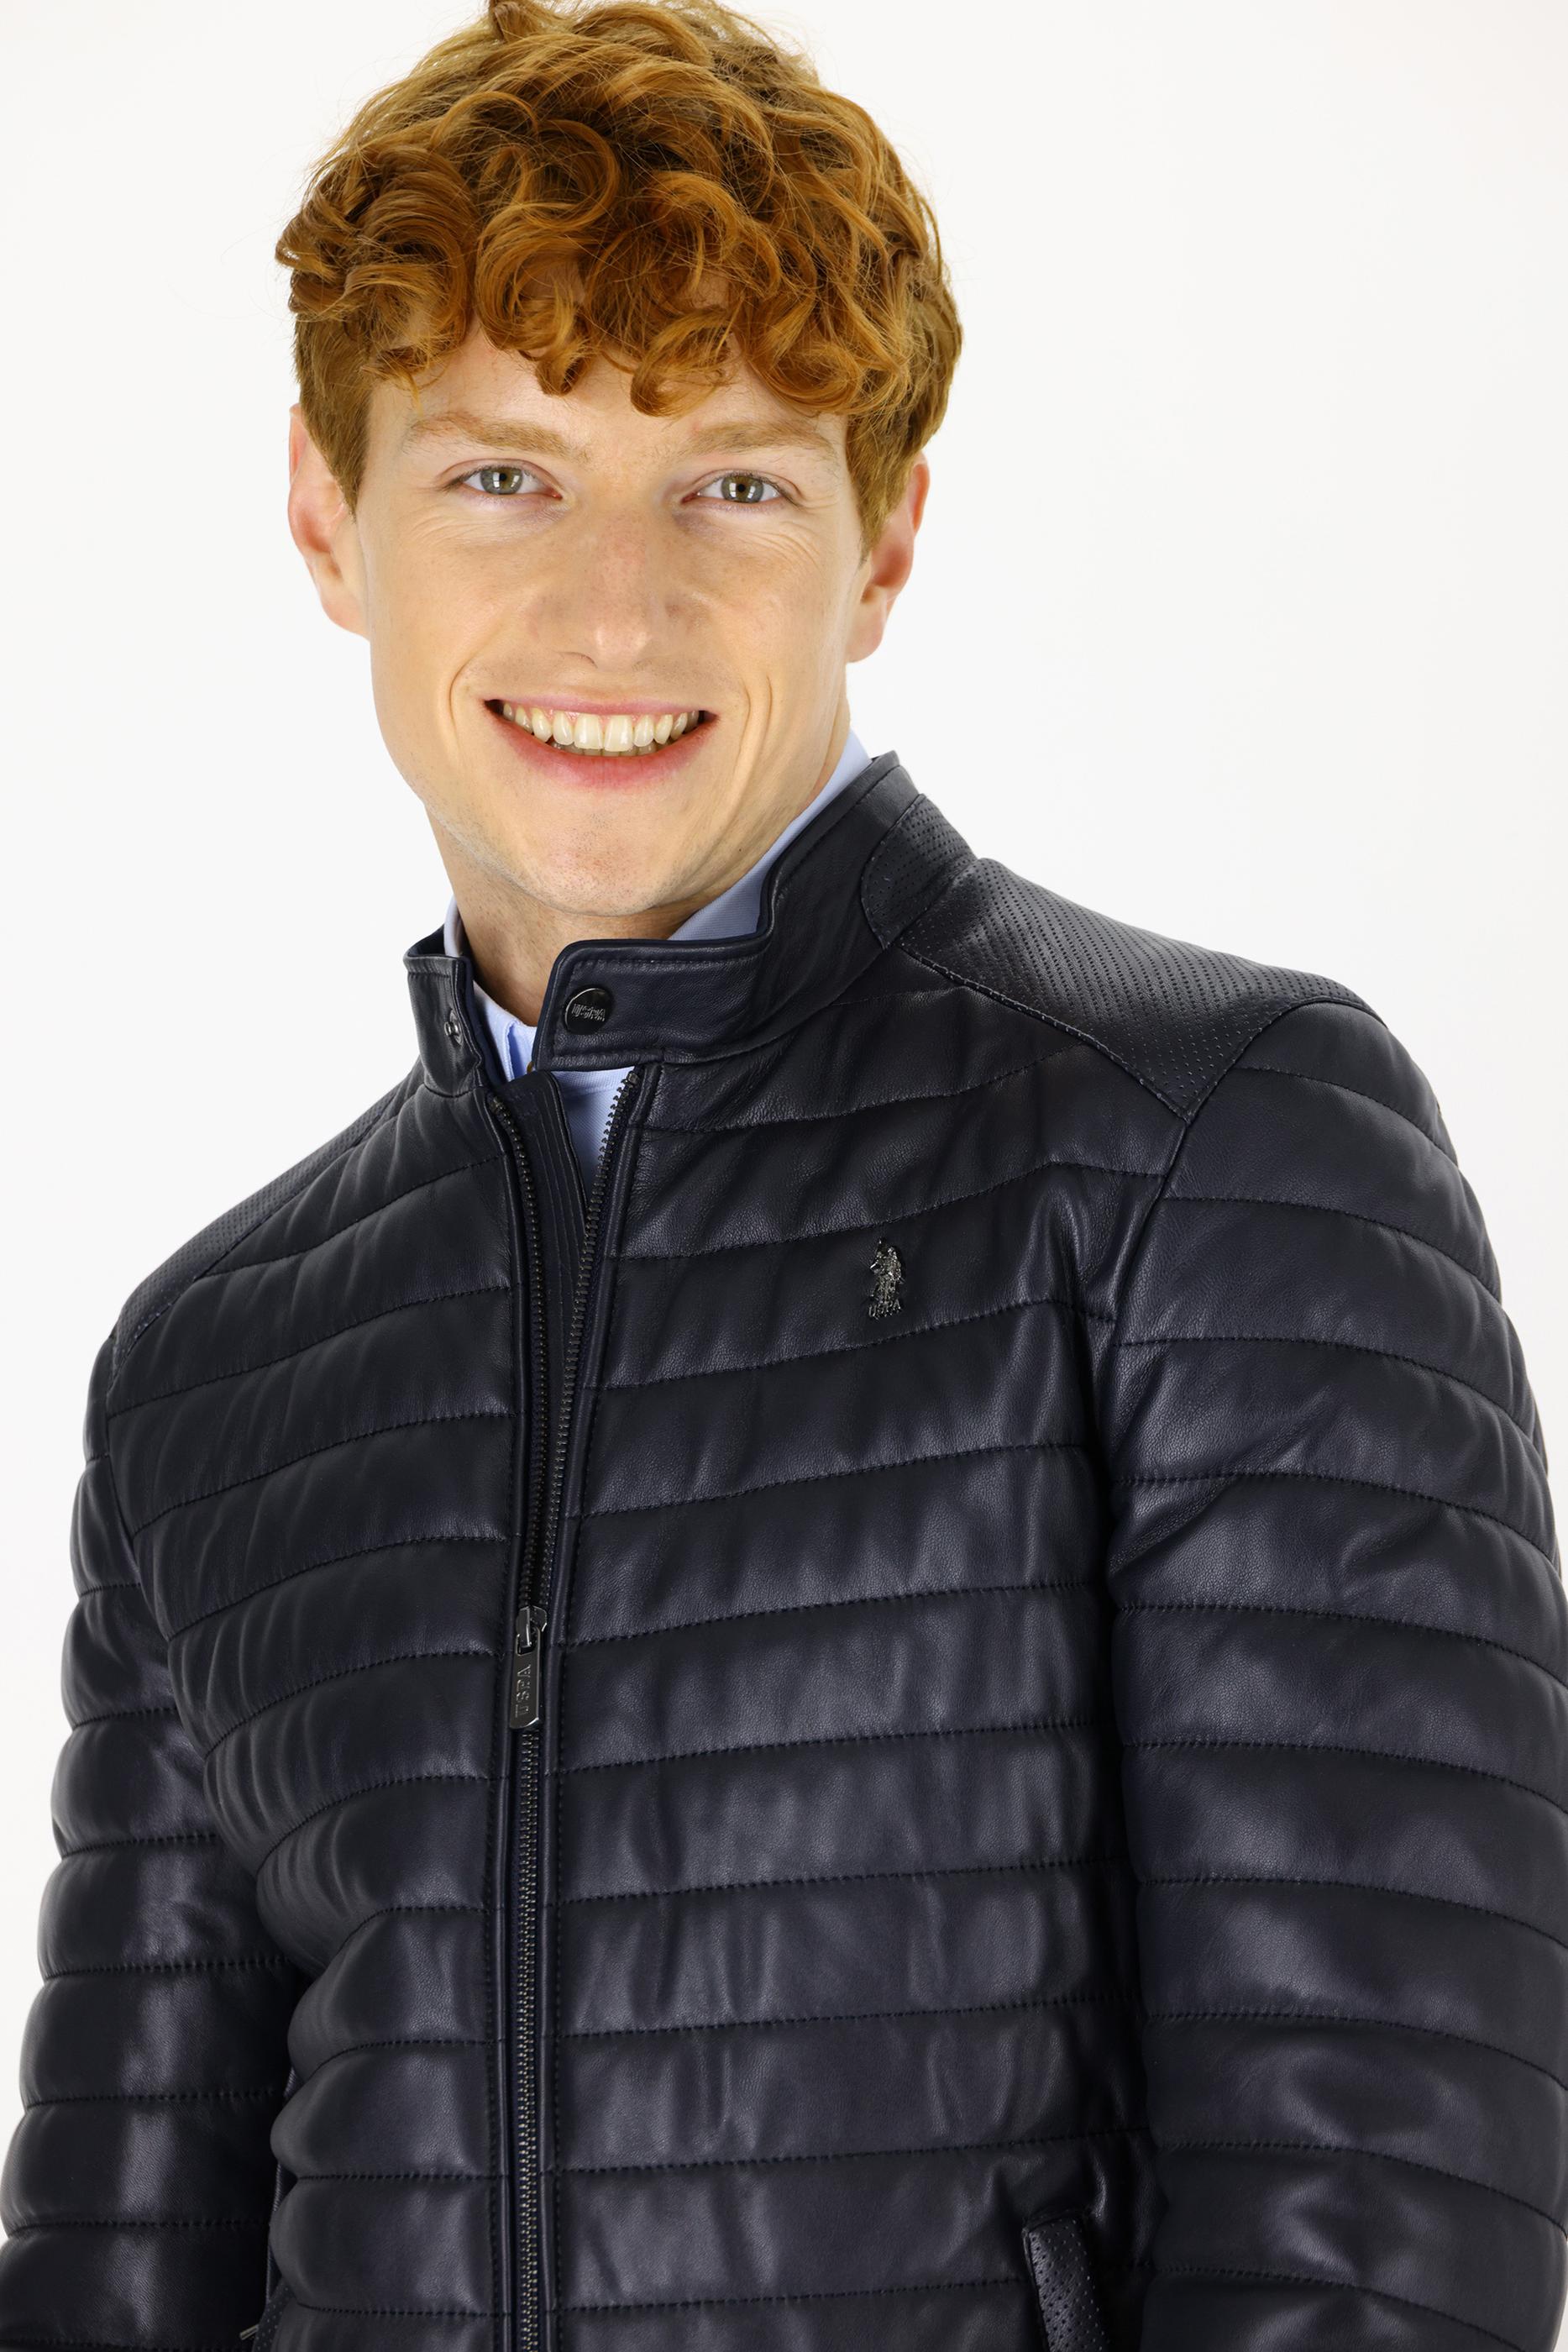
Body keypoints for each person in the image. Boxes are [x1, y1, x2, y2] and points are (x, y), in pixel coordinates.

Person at [2, 0, 1563, 2345]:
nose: (612, 613)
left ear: (885, 535)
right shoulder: (211, 1367)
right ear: (328, 515)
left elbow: (1378, 2239)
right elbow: (111, 2282)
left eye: (730, 484)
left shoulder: (1213, 1150)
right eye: (502, 475)